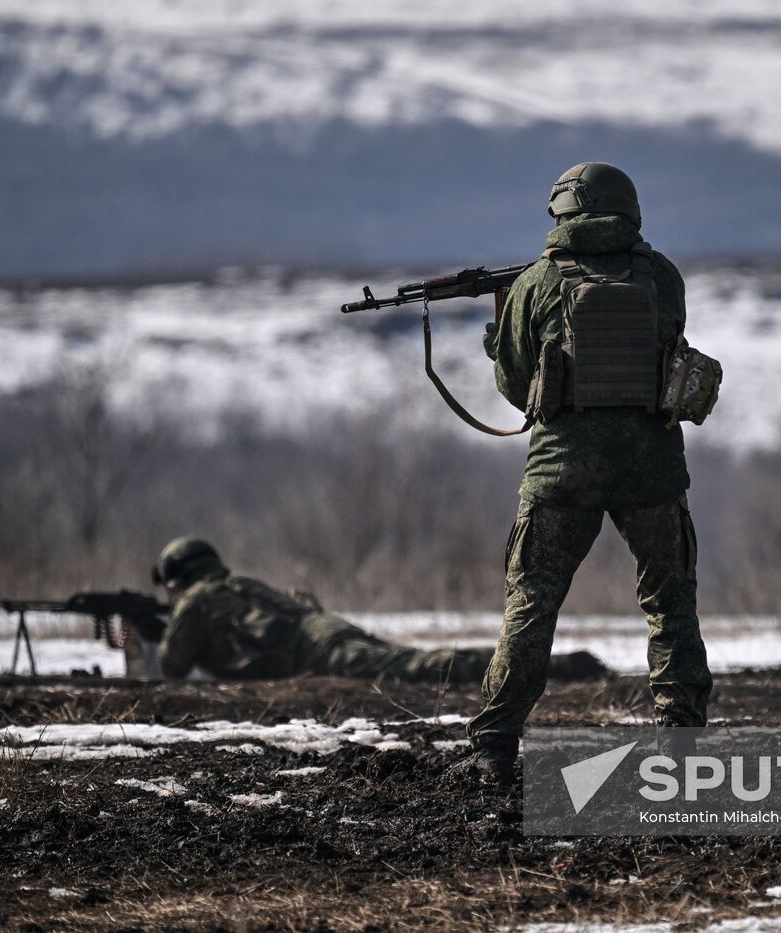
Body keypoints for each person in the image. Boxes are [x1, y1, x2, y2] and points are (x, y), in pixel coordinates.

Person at [456, 162, 713, 785]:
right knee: (671, 608)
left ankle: (494, 749)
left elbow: (519, 388)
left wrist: (500, 345)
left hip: (560, 469)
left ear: (563, 211)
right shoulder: (662, 276)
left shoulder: (539, 282)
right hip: (652, 467)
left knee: (531, 607)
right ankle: (680, 749)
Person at [152, 536, 610, 684]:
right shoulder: (236, 584)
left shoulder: (195, 602)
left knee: (421, 668)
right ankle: (541, 663)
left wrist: (152, 637)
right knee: (415, 660)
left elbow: (173, 666)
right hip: (325, 627)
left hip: (313, 650)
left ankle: (553, 666)